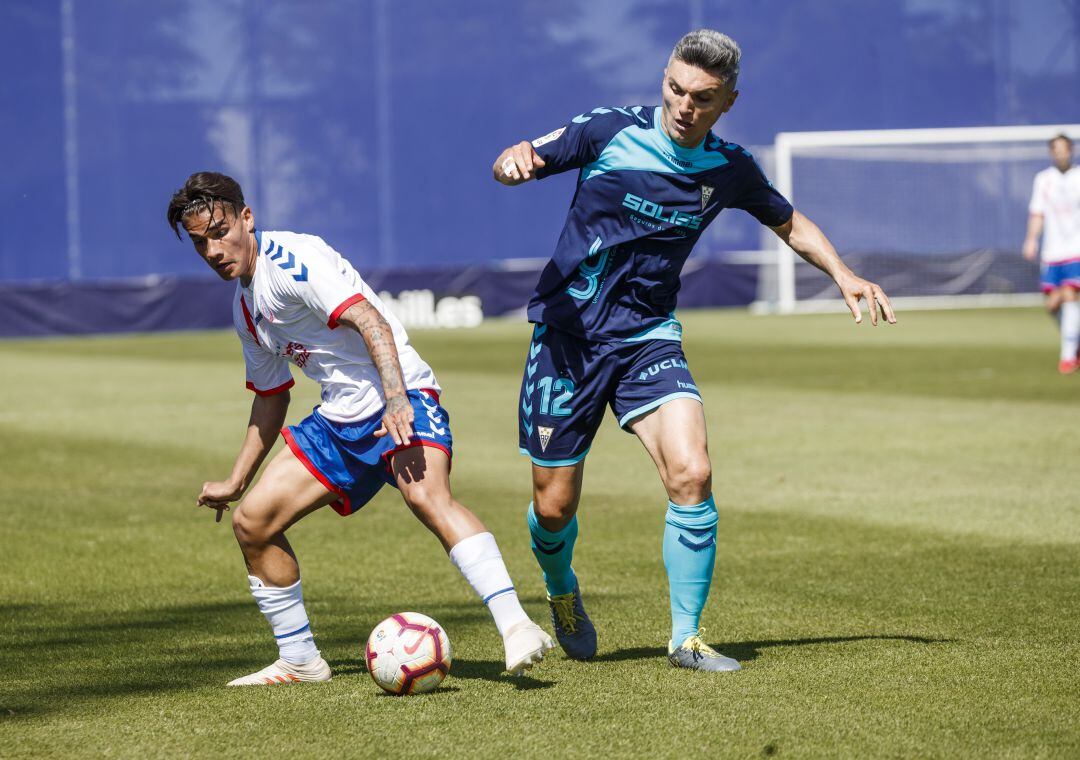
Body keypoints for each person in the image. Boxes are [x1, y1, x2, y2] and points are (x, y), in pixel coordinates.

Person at [492, 29, 895, 672]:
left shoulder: (729, 168)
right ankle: (562, 589)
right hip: (568, 339)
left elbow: (788, 221)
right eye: (676, 89)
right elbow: (522, 158)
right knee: (553, 505)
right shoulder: (608, 131)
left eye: (702, 98)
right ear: (664, 81)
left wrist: (842, 274)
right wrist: (512, 164)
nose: (685, 105)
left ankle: (685, 639)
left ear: (727, 101)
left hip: (649, 334)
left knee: (693, 472)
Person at [166, 172, 553, 686]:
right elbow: (271, 396)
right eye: (200, 243)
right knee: (253, 523)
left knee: (426, 498)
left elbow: (371, 320)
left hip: (403, 393)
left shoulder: (290, 260)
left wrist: (397, 399)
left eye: (219, 231)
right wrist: (236, 481)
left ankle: (516, 626)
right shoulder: (245, 307)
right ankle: (300, 660)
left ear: (246, 217)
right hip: (340, 420)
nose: (213, 249)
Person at [1022, 134, 1080, 374]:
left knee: (1070, 295)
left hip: (1076, 249)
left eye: (1063, 149)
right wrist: (1031, 239)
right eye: (1055, 149)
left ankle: (1067, 358)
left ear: (1071, 150)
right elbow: (1038, 213)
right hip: (1052, 252)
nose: (1060, 153)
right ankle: (1075, 345)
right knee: (1052, 304)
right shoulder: (1043, 179)